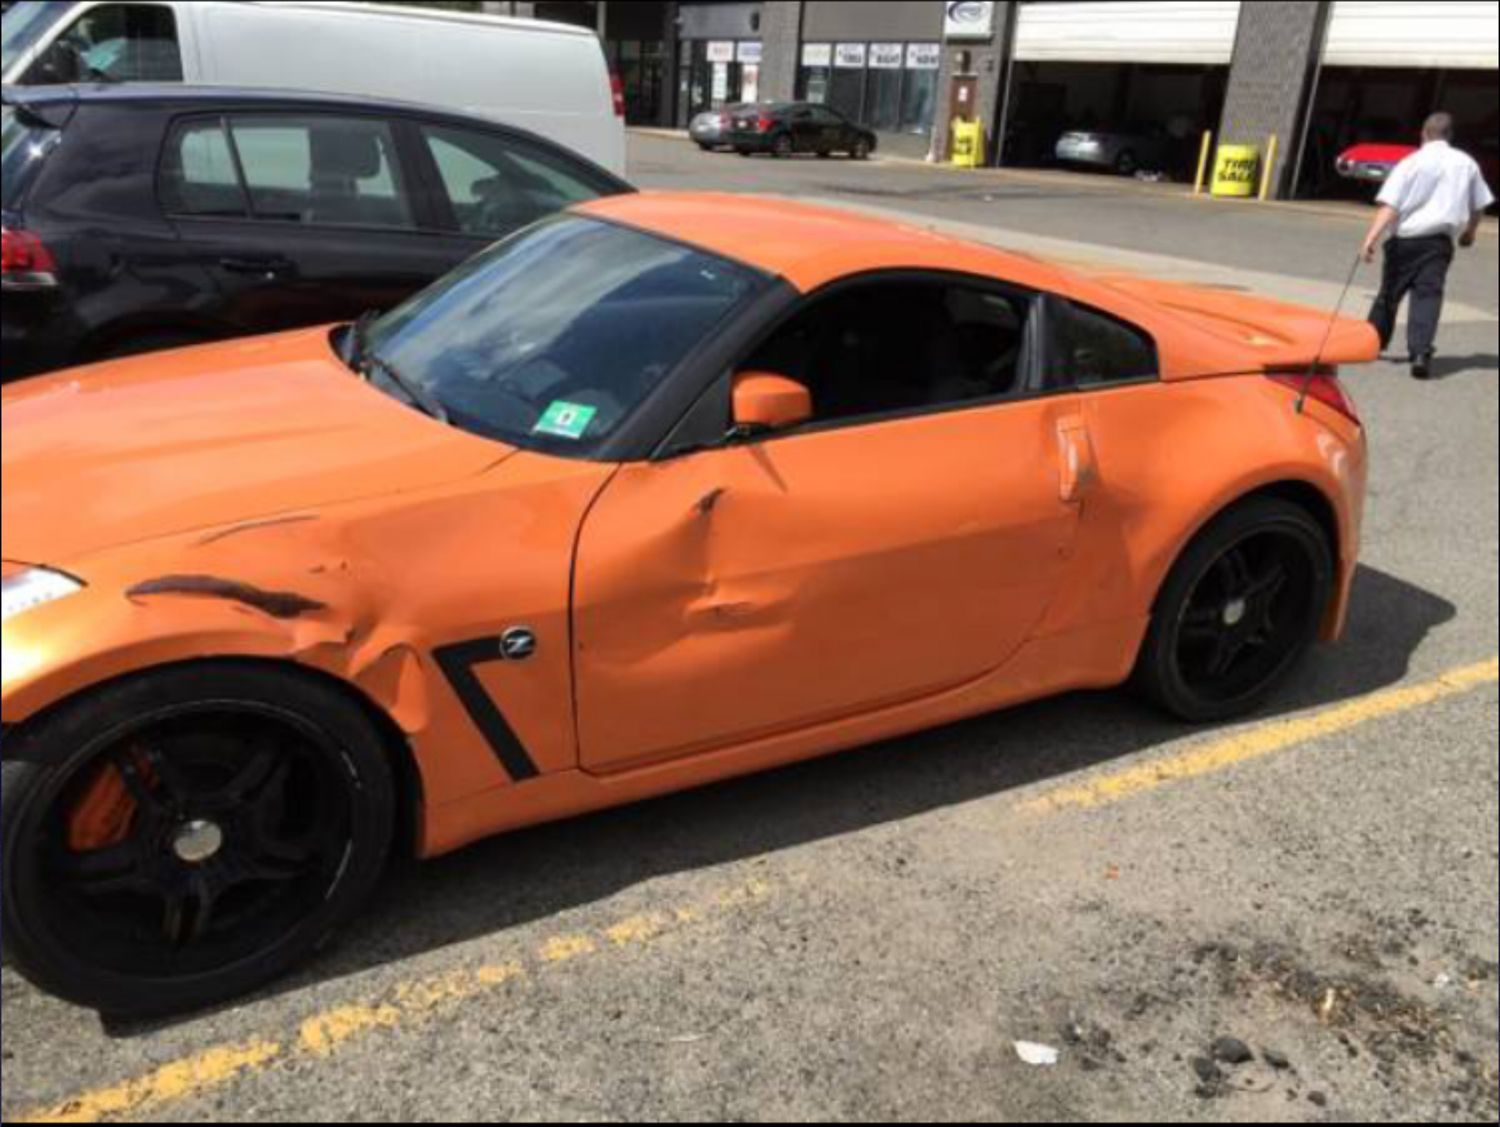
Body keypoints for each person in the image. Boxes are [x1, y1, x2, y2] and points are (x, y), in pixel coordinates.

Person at [1360, 113, 1495, 380]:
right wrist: (1470, 232)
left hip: (1405, 240)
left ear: (1424, 133)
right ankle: (1420, 353)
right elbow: (1479, 204)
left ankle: (1371, 344)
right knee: (1428, 295)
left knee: (1390, 293)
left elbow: (1391, 205)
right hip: (1438, 242)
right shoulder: (1466, 163)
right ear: (1450, 135)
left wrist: (1370, 238)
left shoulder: (1411, 162)